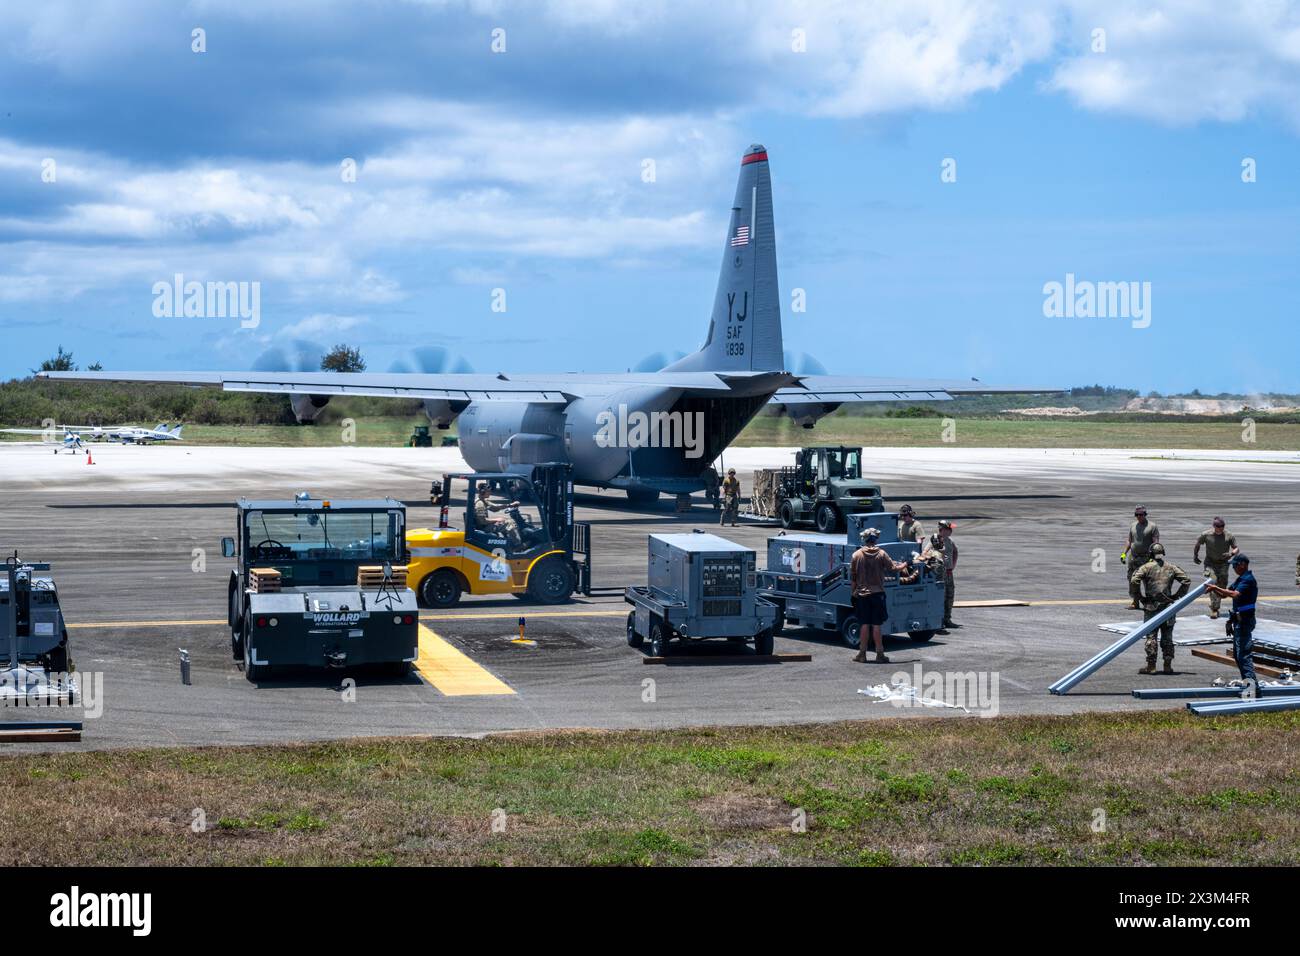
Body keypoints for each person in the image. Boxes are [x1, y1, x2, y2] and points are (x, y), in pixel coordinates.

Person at [849, 527, 908, 664]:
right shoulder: (881, 554)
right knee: (876, 625)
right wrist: (906, 563)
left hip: (862, 595)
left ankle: (862, 654)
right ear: (875, 540)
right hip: (877, 595)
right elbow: (893, 568)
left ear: (864, 539)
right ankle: (879, 654)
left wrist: (853, 594)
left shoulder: (856, 555)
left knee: (864, 624)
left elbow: (853, 578)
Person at [1130, 543, 1191, 675]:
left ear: (1151, 553)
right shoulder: (1171, 567)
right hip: (1168, 607)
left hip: (1151, 606)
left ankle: (1151, 666)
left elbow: (1134, 581)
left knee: (1151, 636)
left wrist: (1139, 597)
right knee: (1167, 637)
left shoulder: (1146, 567)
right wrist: (1176, 596)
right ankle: (1167, 666)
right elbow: (1186, 580)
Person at [1205, 554, 1259, 688]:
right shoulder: (1240, 579)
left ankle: (1252, 687)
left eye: (1235, 565)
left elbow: (1235, 595)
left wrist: (1215, 588)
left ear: (1243, 565)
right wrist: (1214, 587)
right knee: (1238, 655)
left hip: (1245, 621)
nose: (1233, 567)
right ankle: (1248, 684)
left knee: (1244, 655)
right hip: (1238, 621)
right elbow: (1225, 594)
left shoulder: (1248, 580)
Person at [1192, 517, 1238, 619]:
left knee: (1222, 585)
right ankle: (1214, 609)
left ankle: (1217, 601)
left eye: (1222, 526)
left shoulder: (1228, 535)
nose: (1221, 528)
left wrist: (1231, 554)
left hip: (1223, 564)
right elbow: (1198, 544)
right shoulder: (1206, 534)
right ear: (1214, 526)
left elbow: (1236, 548)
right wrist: (1195, 555)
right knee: (1212, 582)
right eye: (1218, 526)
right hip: (1209, 563)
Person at [1123, 505, 1160, 609]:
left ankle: (1149, 602)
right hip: (1133, 558)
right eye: (1136, 515)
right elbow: (1129, 541)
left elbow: (1156, 543)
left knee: (1148, 581)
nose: (1138, 517)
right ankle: (1135, 601)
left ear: (1145, 514)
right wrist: (1124, 553)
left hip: (1146, 559)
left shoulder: (1152, 526)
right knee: (1132, 580)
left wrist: (1154, 557)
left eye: (1141, 515)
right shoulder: (1133, 526)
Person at [935, 519, 958, 629]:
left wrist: (953, 565)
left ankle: (947, 619)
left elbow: (955, 551)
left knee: (950, 595)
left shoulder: (949, 541)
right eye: (949, 529)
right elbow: (926, 554)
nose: (951, 531)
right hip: (940, 574)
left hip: (949, 573)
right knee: (941, 597)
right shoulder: (935, 541)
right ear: (942, 530)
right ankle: (939, 621)